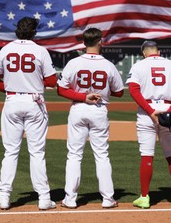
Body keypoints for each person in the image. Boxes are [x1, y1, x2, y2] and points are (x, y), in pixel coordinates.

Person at [0, 17, 57, 211]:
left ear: (17, 30)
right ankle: (43, 198)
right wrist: (34, 84)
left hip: (12, 101)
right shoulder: (40, 50)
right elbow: (52, 81)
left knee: (10, 151)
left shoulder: (6, 49)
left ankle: (4, 197)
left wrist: (10, 88)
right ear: (34, 32)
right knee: (36, 152)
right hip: (34, 102)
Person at [57, 28, 124, 209]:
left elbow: (61, 89)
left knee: (74, 155)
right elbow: (119, 92)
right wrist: (102, 91)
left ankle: (70, 198)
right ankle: (108, 199)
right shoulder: (108, 65)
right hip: (99, 110)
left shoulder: (73, 63)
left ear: (84, 42)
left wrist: (81, 95)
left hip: (78, 108)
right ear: (100, 41)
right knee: (102, 155)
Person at [126, 40, 171, 209]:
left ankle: (145, 198)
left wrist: (149, 110)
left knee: (147, 156)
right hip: (168, 110)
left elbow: (133, 90)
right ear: (158, 52)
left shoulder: (138, 66)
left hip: (148, 112)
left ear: (144, 53)